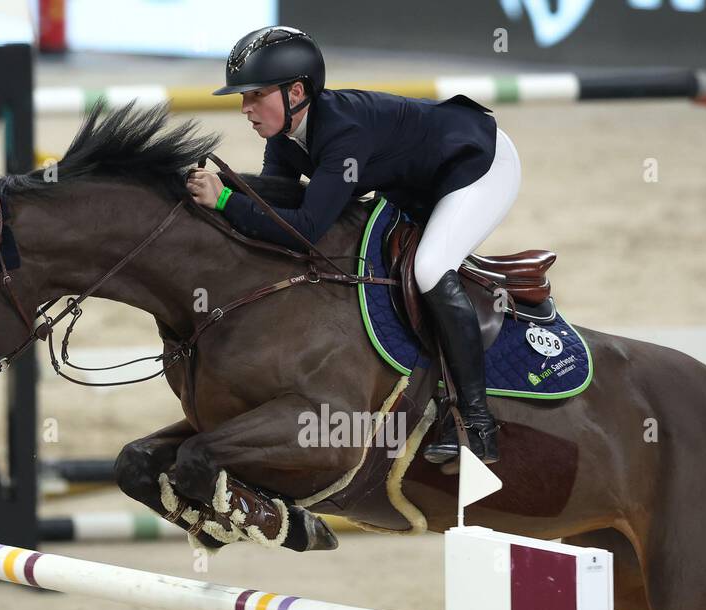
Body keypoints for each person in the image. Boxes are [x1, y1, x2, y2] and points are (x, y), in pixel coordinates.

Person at [186, 25, 522, 464]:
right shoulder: (286, 136)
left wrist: (225, 198)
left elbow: (305, 227)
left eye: (256, 95)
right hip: (416, 181)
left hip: (479, 164)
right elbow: (273, 201)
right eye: (243, 97)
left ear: (296, 93)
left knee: (430, 266)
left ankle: (477, 426)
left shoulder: (344, 134)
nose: (245, 109)